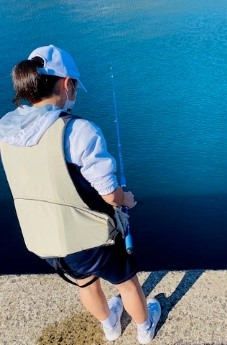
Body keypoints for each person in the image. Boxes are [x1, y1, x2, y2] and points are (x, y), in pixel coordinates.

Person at [0, 45, 160, 344]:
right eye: (73, 85)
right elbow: (110, 195)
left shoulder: (5, 130)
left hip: (43, 239)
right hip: (88, 237)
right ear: (65, 83)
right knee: (127, 284)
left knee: (85, 282)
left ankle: (110, 327)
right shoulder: (79, 131)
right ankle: (145, 328)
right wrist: (127, 199)